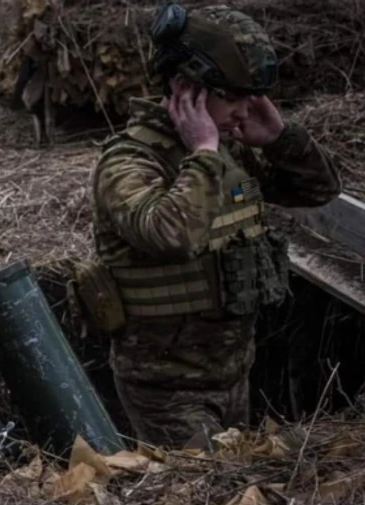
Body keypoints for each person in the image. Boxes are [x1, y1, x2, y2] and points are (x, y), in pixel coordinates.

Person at [89, 3, 342, 448]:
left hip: (234, 373)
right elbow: (170, 236)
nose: (245, 111)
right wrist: (203, 152)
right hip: (167, 390)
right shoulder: (129, 160)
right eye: (233, 96)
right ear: (187, 87)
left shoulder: (231, 150)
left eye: (251, 97)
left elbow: (317, 191)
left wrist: (281, 139)